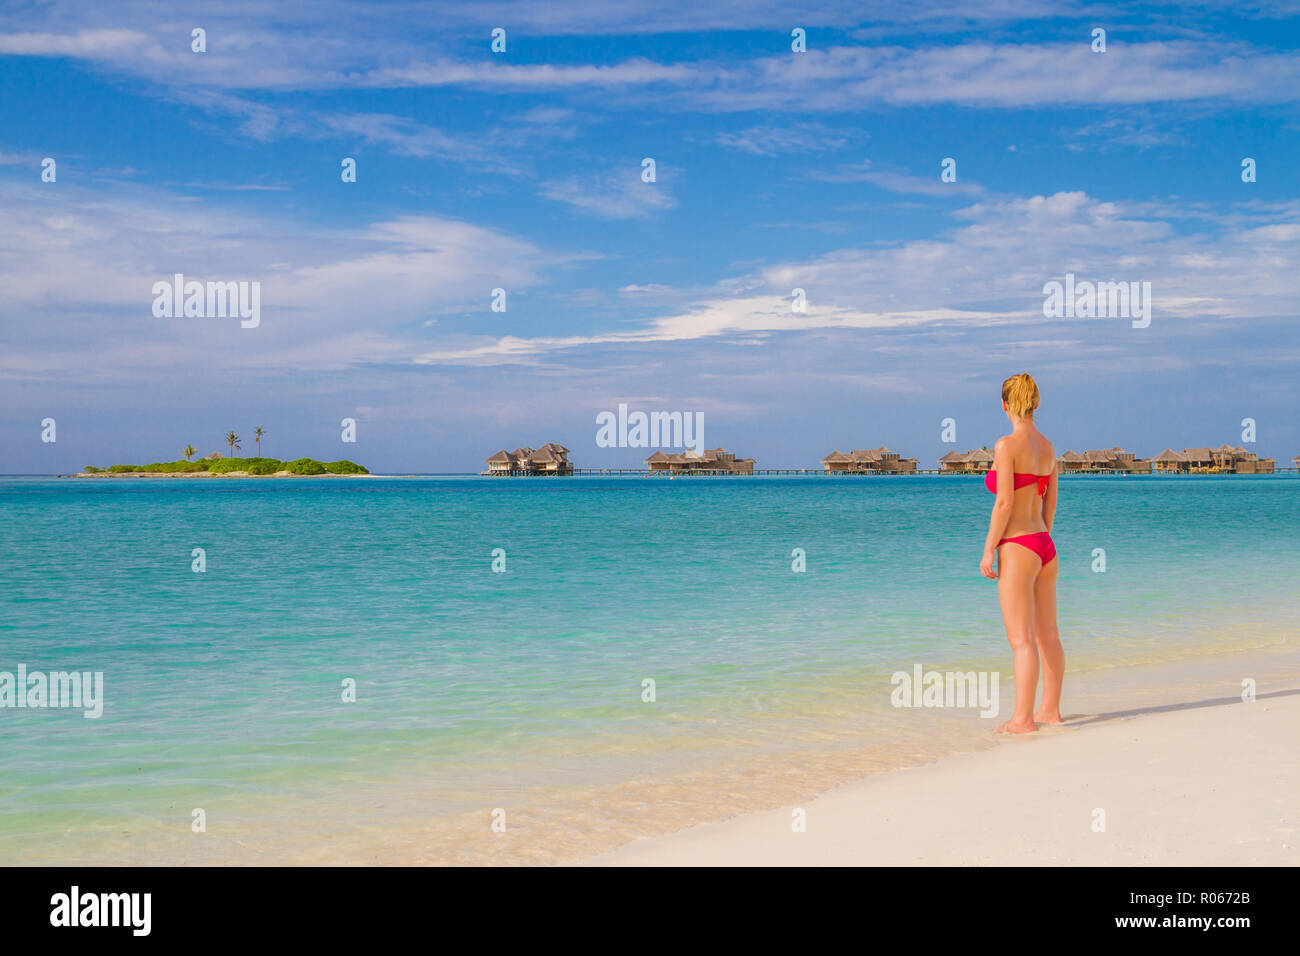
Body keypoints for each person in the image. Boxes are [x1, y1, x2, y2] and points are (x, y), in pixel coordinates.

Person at [979, 373, 1064, 734]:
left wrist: (988, 551)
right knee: (1049, 636)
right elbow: (1051, 506)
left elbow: (1004, 503)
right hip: (1046, 546)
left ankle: (1023, 719)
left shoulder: (1006, 445)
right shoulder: (1048, 448)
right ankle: (1051, 711)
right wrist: (1041, 540)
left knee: (1021, 641)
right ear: (1037, 403)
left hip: (1018, 546)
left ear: (1003, 404)